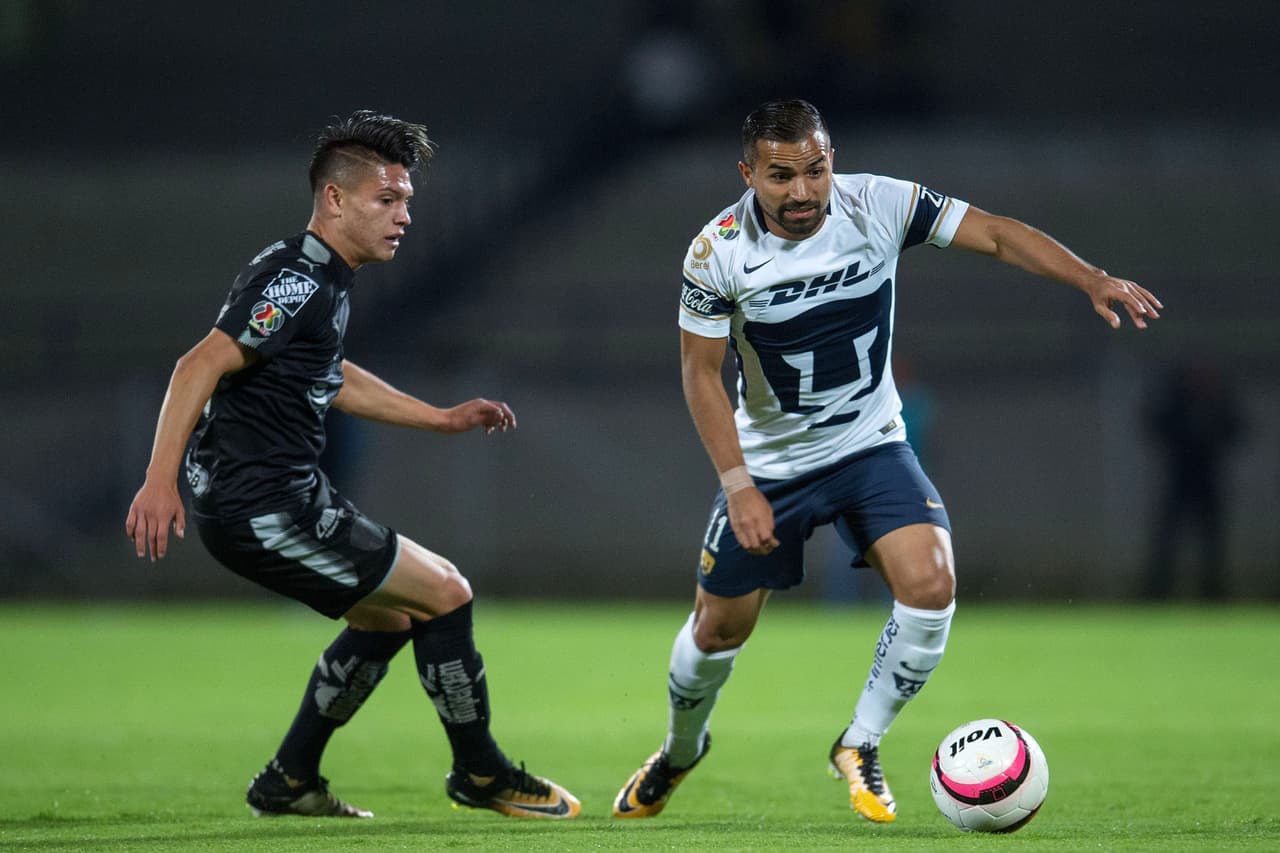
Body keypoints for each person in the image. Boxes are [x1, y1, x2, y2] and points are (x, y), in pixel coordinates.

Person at [612, 98, 1161, 823]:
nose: (804, 190)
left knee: (932, 582)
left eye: (816, 168)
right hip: (771, 464)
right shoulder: (715, 252)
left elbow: (994, 235)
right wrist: (737, 482)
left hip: (869, 444)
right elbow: (699, 372)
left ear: (831, 157)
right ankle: (681, 749)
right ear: (747, 173)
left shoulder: (880, 202)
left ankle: (860, 741)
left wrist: (1090, 277)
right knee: (719, 629)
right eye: (781, 176)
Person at [125, 111, 580, 821]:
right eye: (386, 200)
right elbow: (199, 363)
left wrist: (440, 416)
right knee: (448, 591)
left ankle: (289, 778)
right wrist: (159, 479)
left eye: (406, 202)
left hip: (278, 499)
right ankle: (481, 772)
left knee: (390, 619)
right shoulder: (298, 279)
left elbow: (327, 371)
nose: (403, 216)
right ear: (334, 199)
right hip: (265, 507)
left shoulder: (318, 277)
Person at [1141, 358, 1242, 600]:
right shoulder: (1177, 403)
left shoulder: (1218, 404)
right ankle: (1158, 592)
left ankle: (1213, 592)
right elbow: (1156, 425)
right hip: (1179, 479)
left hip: (1208, 480)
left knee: (1211, 540)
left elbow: (1237, 429)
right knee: (1168, 538)